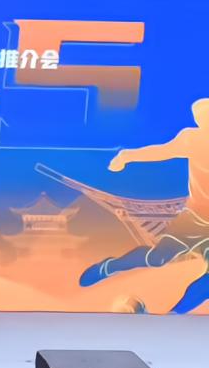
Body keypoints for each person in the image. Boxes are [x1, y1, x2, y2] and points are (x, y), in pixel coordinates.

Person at [79, 98, 209, 313]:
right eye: (204, 118)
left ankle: (175, 314)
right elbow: (162, 151)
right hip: (194, 219)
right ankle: (110, 266)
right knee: (157, 259)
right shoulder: (193, 139)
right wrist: (127, 156)